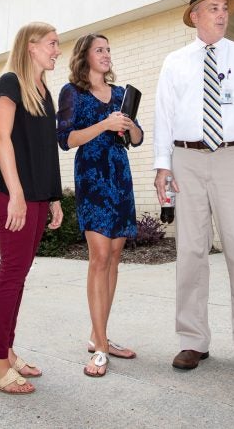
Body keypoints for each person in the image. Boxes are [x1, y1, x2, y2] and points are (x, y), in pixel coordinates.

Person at [153, 0, 234, 377]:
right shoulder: (175, 61)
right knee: (190, 251)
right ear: (194, 16)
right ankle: (192, 340)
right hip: (186, 159)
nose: (222, 14)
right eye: (212, 8)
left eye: (224, 7)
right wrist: (163, 165)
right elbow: (164, 116)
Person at [0, 22, 65, 395]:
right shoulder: (9, 83)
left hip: (35, 195)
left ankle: (7, 351)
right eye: (52, 43)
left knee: (19, 275)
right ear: (31, 47)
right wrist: (15, 192)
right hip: (11, 193)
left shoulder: (43, 91)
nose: (57, 50)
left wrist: (53, 197)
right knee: (11, 273)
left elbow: (44, 150)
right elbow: (2, 138)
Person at [57, 33, 143, 377]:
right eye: (100, 50)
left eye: (109, 50)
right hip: (92, 177)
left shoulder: (121, 94)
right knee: (99, 257)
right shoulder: (72, 93)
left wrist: (129, 127)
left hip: (120, 177)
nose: (107, 55)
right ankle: (101, 348)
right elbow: (66, 139)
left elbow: (136, 139)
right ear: (85, 56)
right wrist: (104, 124)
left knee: (115, 260)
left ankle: (99, 336)